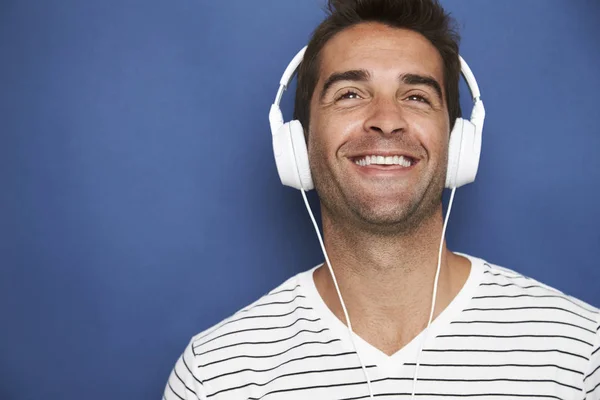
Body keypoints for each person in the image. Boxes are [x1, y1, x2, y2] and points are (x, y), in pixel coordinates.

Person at [163, 0, 600, 398]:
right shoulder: (217, 373)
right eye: (350, 94)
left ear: (459, 143)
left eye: (416, 96)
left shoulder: (580, 354)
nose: (387, 121)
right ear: (297, 145)